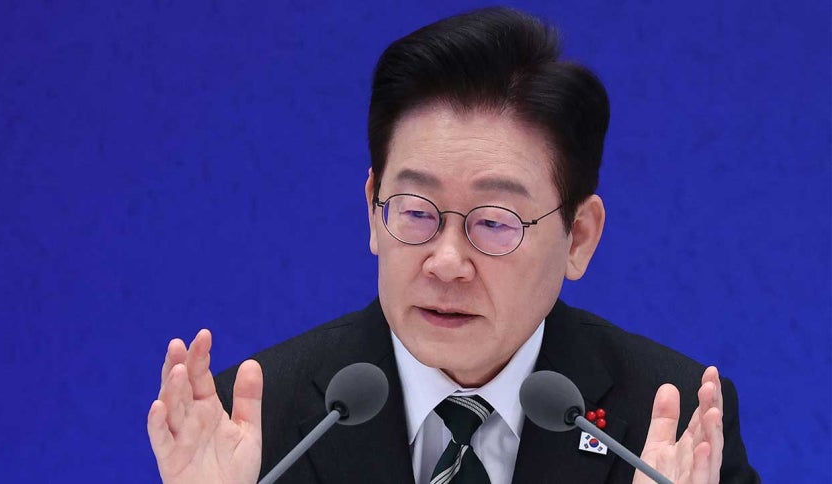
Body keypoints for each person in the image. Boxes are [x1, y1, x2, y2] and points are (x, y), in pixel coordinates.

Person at [147, 7, 759, 483]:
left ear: (578, 237)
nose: (445, 262)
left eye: (494, 222)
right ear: (372, 210)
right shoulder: (254, 424)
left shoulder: (672, 427)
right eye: (416, 212)